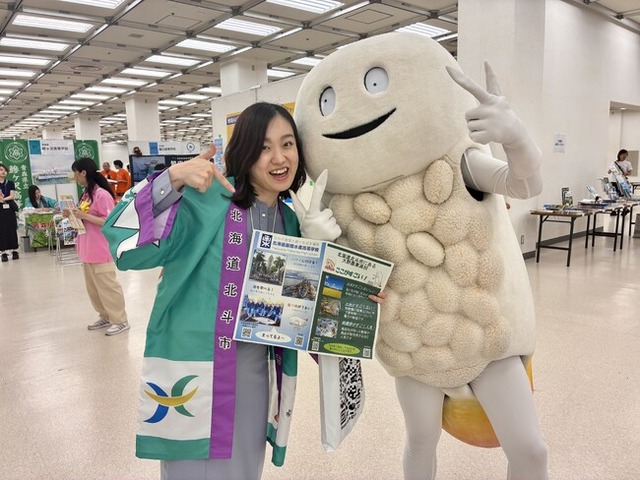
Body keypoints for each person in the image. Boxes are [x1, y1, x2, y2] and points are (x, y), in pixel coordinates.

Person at [101, 102, 384, 480]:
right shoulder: (205, 199)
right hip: (195, 371)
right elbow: (125, 246)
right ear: (245, 152)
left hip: (255, 376)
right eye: (264, 147)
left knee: (244, 470)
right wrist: (174, 177)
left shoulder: (290, 220)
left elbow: (297, 312)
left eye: (287, 144)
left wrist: (354, 296)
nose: (279, 158)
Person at [64, 158, 129, 336]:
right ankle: (105, 316)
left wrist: (84, 216)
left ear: (83, 172)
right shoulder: (87, 194)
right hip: (87, 249)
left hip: (100, 249)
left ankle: (120, 320)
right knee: (94, 289)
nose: (75, 177)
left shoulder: (102, 195)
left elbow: (108, 222)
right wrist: (71, 214)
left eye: (76, 173)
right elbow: (83, 217)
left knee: (108, 287)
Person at [0, 163, 19, 262]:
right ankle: (3, 252)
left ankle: (15, 250)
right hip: (0, 209)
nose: (3, 172)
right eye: (1, 170)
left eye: (4, 170)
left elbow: (12, 196)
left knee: (12, 228)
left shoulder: (10, 183)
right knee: (1, 230)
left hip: (9, 207)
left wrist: (3, 199)